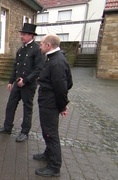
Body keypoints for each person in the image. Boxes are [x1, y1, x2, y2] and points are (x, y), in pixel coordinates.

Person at [0, 23, 44, 142]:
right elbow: (15, 66)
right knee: (10, 105)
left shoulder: (37, 49)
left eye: (24, 34)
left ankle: (24, 132)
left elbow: (39, 69)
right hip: (17, 83)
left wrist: (26, 80)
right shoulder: (21, 49)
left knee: (27, 108)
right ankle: (7, 127)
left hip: (28, 84)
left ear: (31, 36)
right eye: (21, 34)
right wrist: (11, 81)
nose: (21, 36)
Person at [34, 34, 73, 177]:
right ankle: (48, 153)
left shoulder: (57, 61)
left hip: (50, 104)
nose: (40, 46)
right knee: (47, 131)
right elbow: (67, 81)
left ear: (48, 45)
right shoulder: (52, 58)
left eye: (41, 44)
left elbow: (62, 86)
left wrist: (63, 106)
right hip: (47, 102)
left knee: (51, 134)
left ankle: (54, 166)